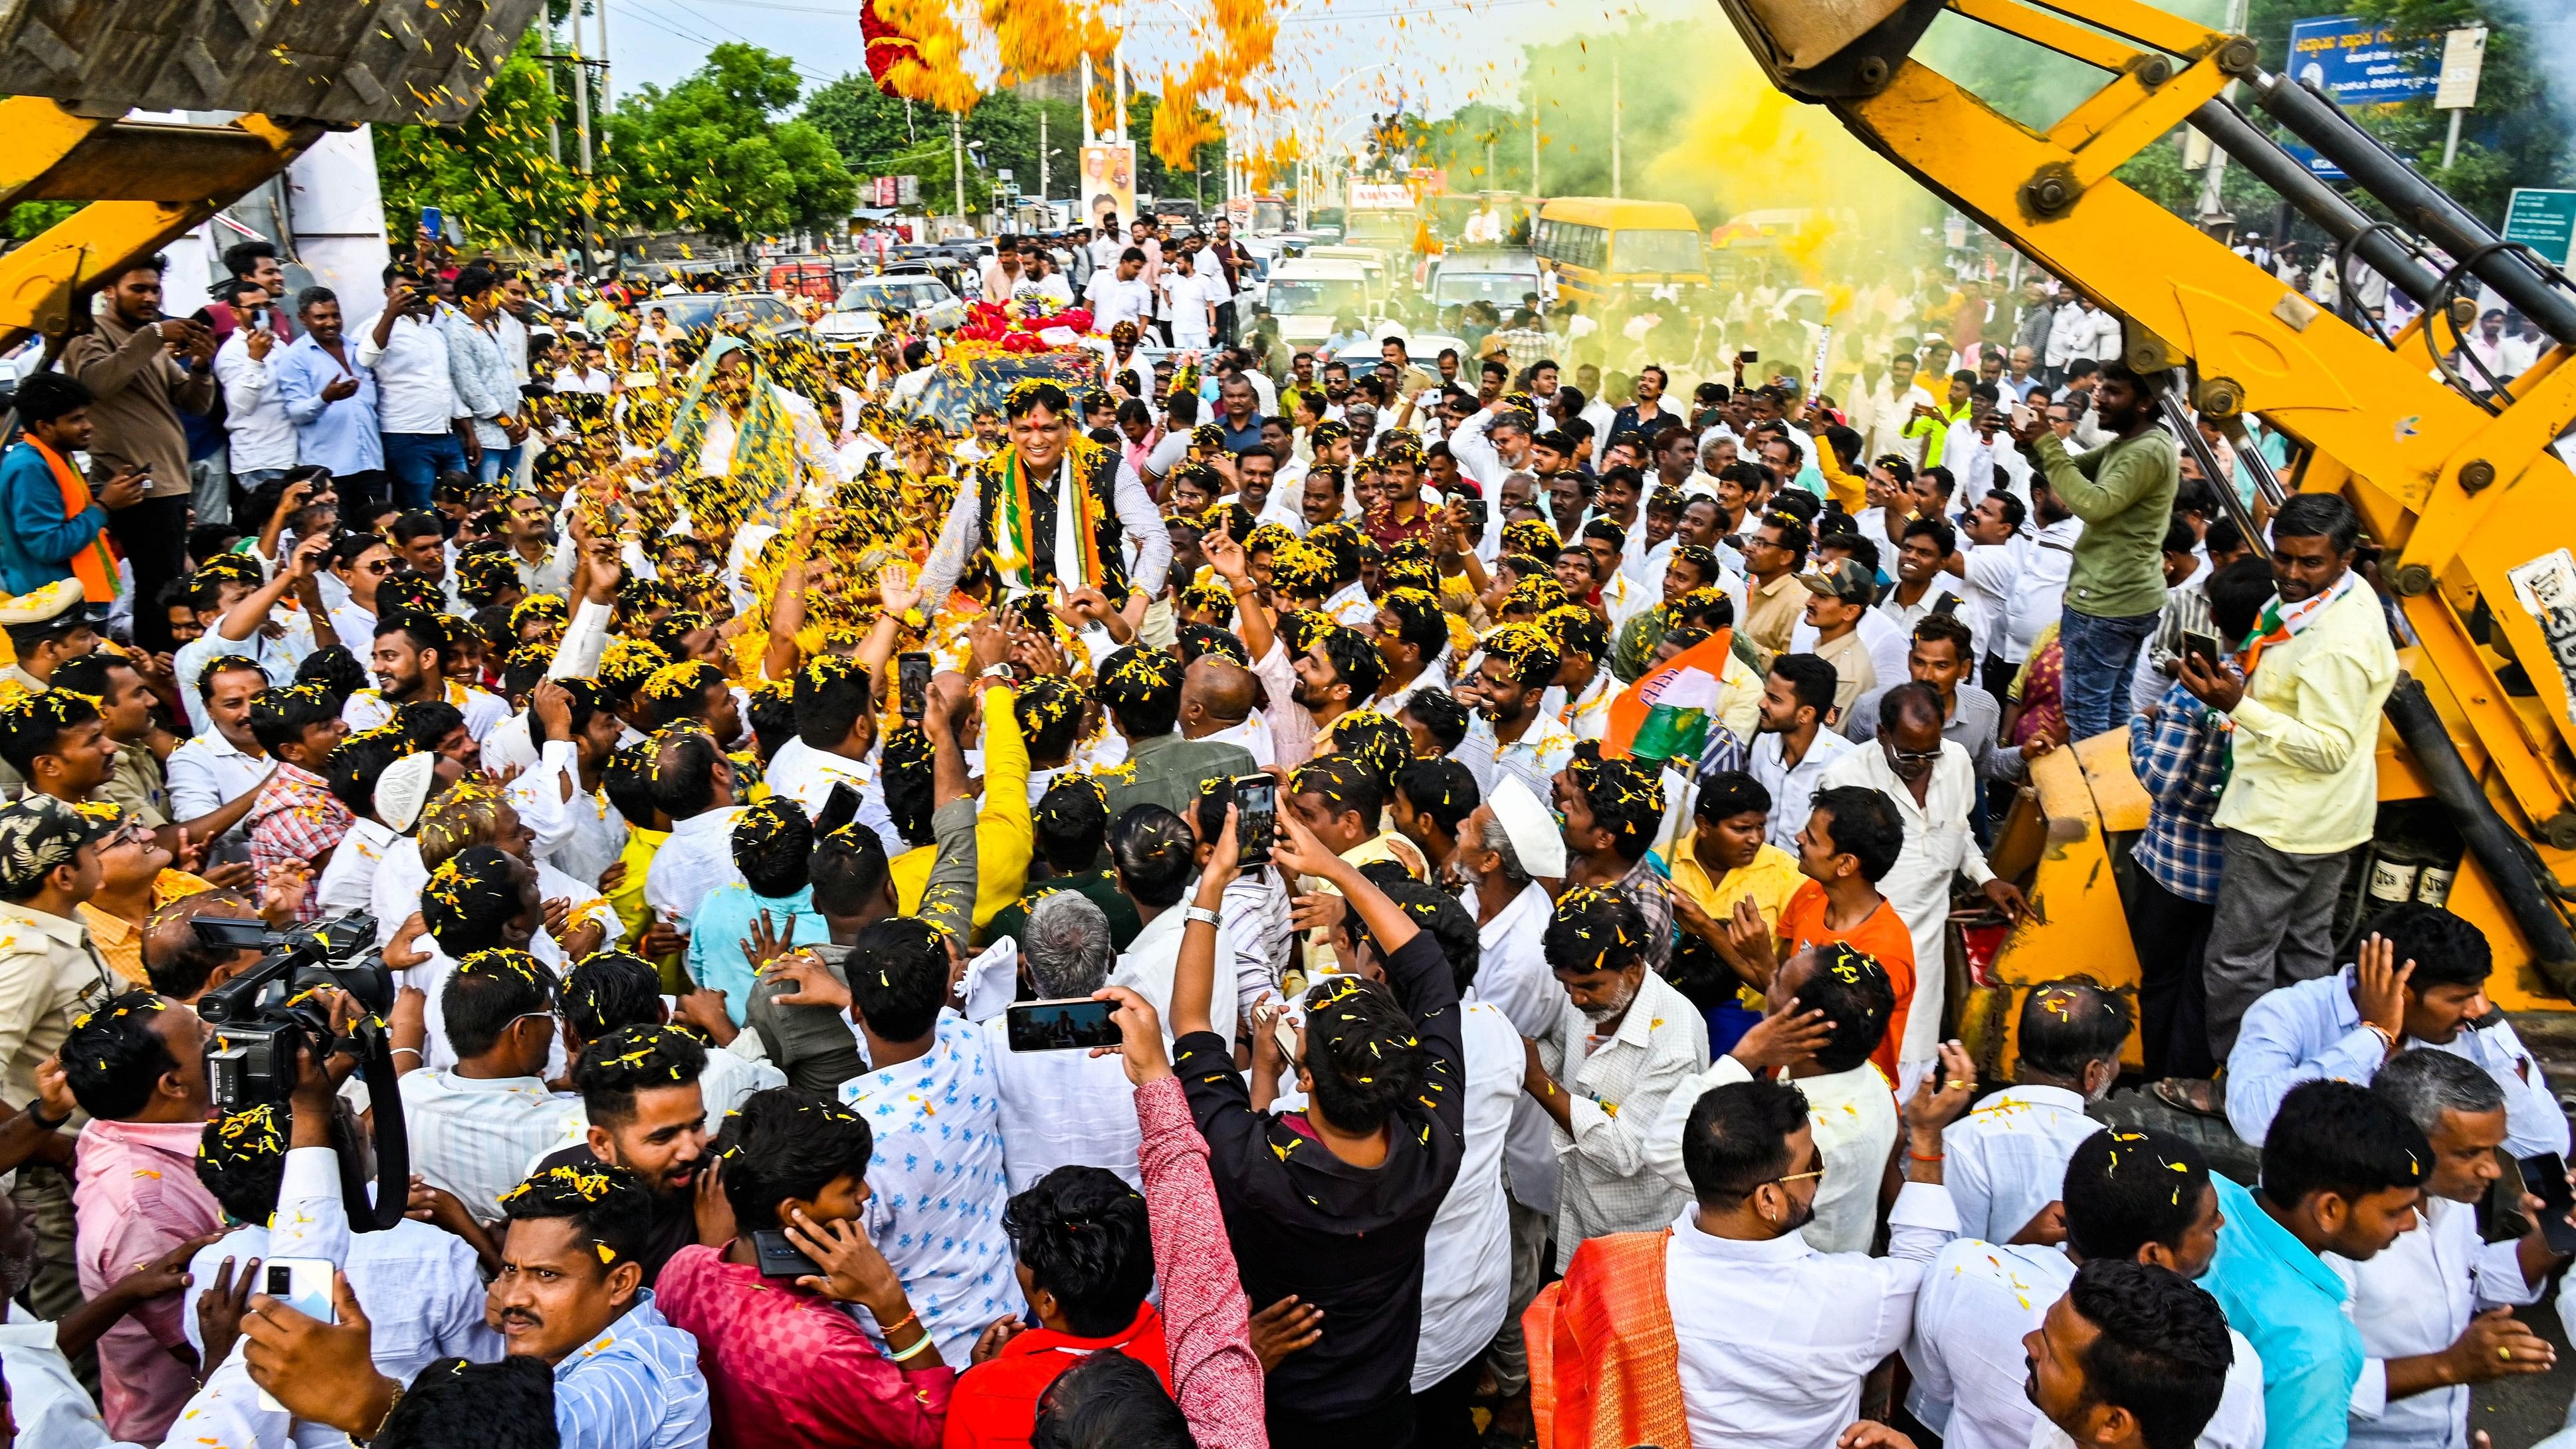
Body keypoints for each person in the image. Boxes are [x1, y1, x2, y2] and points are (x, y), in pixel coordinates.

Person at [1177, 807, 1463, 1446]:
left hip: (1287, 1410)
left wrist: (1215, 882)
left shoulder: (1253, 1163)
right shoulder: (1434, 1142)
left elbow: (1193, 1026)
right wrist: (1333, 868)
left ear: (1302, 1079)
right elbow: (1430, 972)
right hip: (1387, 1404)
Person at [1529, 1072, 1950, 1449]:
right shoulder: (1848, 1297)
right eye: (1813, 1166)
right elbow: (1925, 1271)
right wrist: (1927, 1141)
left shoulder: (1616, 1272)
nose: (1820, 1176)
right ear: (1768, 1199)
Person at [244, 1159, 715, 1447]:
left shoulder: (637, 1376)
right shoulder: (578, 1334)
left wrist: (371, 1405)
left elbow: (523, 1435)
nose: (512, 1297)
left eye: (546, 1275)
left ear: (620, 1284)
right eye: (510, 1269)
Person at [2187, 492, 2399, 1064]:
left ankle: (2242, 1082)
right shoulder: (2339, 601)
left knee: (2238, 963)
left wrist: (2239, 705)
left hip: (2283, 824)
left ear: (2345, 558)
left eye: (2311, 563)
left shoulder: (2338, 644)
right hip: (2328, 820)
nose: (2292, 574)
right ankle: (2303, 1072)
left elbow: (2329, 750)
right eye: (2283, 558)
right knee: (2305, 955)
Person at [655, 1088, 960, 1448]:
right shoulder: (823, 1347)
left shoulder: (683, 1267)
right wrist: (890, 1301)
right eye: (849, 1188)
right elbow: (933, 1434)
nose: (865, 1194)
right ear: (793, 1212)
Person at [2341, 1050, 2563, 1449]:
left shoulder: (2452, 1201)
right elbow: (2312, 1387)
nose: (2492, 1170)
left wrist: (2553, 1242)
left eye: (2493, 1150)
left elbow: (2472, 1277)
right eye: (2468, 1154)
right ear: (2406, 1142)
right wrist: (2449, 1367)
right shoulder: (2340, 1234)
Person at [2224, 902, 2567, 1159]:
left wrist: (2493, 1031)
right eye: (2460, 998)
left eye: (2479, 993)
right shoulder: (2287, 1013)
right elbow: (2252, 1121)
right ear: (2400, 991)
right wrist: (2373, 1037)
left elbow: (2546, 1148)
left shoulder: (2467, 1034)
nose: (2477, 1010)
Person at [2199, 1079, 2430, 1449]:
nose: (2411, 1224)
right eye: (2397, 1210)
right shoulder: (2316, 1349)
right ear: (2330, 1210)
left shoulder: (2201, 1196)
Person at [1818, 682, 2026, 1090]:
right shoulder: (1845, 780)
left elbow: (1957, 830)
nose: (1923, 764)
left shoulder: (1957, 762)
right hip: (1863, 950)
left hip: (1927, 951)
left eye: (1932, 752)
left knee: (1914, 1067)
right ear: (1882, 735)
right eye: (1909, 754)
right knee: (1858, 1062)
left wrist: (1986, 878)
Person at [1646, 942, 1893, 1254]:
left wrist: (1743, 1057)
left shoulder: (1801, 1135)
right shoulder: (1865, 1074)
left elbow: (1664, 1147)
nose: (1769, 976)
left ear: (1802, 1028)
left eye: (1778, 981)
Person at [1523, 884, 1711, 1264]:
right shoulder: (1586, 994)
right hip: (1575, 1212)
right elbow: (1560, 1047)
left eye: (1589, 987)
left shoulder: (1674, 1042)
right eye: (1567, 986)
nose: (1576, 999)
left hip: (1635, 1238)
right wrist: (1517, 1054)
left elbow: (1625, 1151)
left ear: (1634, 967)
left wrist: (1538, 1082)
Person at [62, 257, 215, 651]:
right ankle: (158, 669)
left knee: (168, 585)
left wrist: (201, 367)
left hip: (169, 482)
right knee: (157, 589)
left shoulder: (148, 341)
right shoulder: (89, 334)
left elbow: (192, 402)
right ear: (108, 290)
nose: (149, 297)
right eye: (138, 289)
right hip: (135, 486)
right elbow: (94, 384)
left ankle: (166, 665)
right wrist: (153, 335)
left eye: (154, 289)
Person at [914, 382, 1169, 617]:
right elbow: (948, 557)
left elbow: (1155, 537)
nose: (1037, 441)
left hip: (1099, 622)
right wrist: (913, 621)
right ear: (1010, 430)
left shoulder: (1107, 467)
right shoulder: (986, 478)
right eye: (1025, 430)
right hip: (1014, 627)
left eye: (1048, 428)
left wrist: (1133, 613)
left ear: (1068, 426)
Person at [397, 929, 585, 1223]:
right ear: (521, 1031)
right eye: (551, 1017)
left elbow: (403, 1074)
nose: (556, 1028)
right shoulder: (568, 1124)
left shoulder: (409, 1095)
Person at [1942, 978, 2123, 1245]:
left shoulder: (1965, 1139)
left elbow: (1949, 1254)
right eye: (2117, 1057)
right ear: (2093, 1073)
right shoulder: (2111, 1154)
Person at [0, 374, 143, 600]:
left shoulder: (55, 455)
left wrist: (113, 492)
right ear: (45, 427)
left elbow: (69, 510)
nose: (88, 426)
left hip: (70, 598)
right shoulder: (30, 468)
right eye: (76, 419)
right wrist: (105, 505)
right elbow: (49, 546)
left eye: (86, 417)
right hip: (53, 606)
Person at [1745, 654, 1855, 851]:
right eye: (1766, 694)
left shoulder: (1845, 764)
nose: (1762, 704)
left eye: (1775, 699)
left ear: (1806, 714)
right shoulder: (1763, 742)